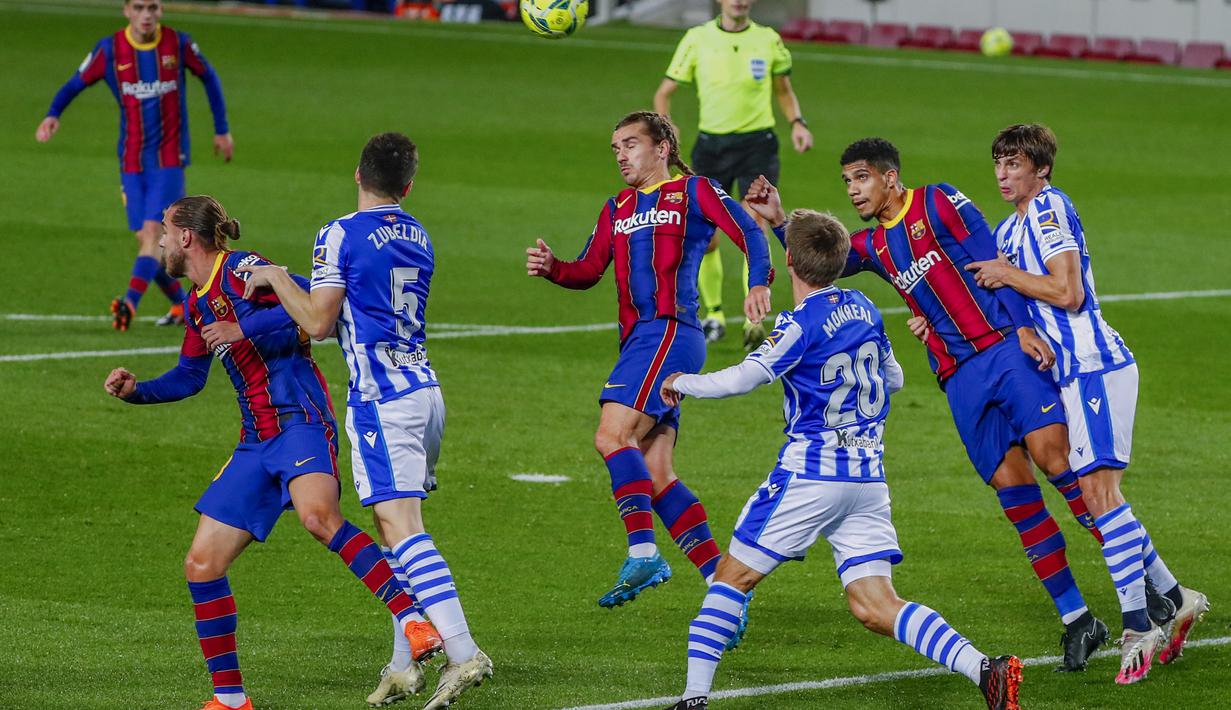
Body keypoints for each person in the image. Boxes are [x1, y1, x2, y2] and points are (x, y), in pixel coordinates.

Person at [743, 138, 1123, 672]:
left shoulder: (940, 201)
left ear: (889, 177)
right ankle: (1078, 619)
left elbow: (991, 258)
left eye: (861, 178)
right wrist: (780, 220)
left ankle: (1146, 585)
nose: (853, 190)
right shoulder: (875, 246)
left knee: (1059, 463)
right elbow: (824, 257)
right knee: (1017, 499)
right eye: (848, 182)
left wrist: (1022, 328)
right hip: (959, 378)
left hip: (1003, 351)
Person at [659, 209, 1022, 710]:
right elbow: (893, 379)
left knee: (732, 578)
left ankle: (693, 699)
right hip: (867, 480)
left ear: (789, 259)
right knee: (875, 605)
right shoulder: (865, 308)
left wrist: (682, 382)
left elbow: (743, 378)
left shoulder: (796, 325)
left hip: (811, 475)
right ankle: (985, 669)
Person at [103, 196, 427, 710]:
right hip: (255, 440)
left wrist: (243, 328)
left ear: (187, 236)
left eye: (165, 229)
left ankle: (413, 619)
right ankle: (230, 699)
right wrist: (136, 390)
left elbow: (314, 301)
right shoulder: (194, 302)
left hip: (299, 420)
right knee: (201, 563)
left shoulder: (242, 268)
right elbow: (190, 376)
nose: (159, 239)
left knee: (319, 518)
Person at [237, 133, 489, 710]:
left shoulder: (340, 232)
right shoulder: (420, 234)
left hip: (381, 401)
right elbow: (363, 303)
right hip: (425, 392)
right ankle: (404, 667)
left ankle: (463, 651)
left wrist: (276, 277)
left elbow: (322, 323)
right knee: (391, 529)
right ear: (408, 185)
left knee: (402, 528)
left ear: (357, 174)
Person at [953, 123, 1206, 684]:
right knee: (1096, 496)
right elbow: (1003, 300)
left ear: (1040, 170)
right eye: (997, 163)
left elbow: (1069, 292)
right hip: (1069, 376)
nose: (1002, 173)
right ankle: (1172, 598)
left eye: (1014, 164)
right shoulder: (1009, 229)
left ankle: (1139, 626)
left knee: (1097, 494)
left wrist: (1008, 275)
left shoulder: (1048, 209)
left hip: (1094, 364)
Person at [524, 111, 771, 631]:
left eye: (630, 144)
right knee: (656, 474)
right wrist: (554, 269)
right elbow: (589, 270)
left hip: (669, 331)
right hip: (640, 342)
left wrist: (756, 283)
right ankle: (722, 589)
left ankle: (643, 552)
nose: (620, 154)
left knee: (613, 437)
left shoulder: (695, 191)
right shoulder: (616, 207)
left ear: (662, 147)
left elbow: (750, 232)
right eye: (614, 146)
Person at [38, 0, 233, 331]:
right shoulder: (111, 50)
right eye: (140, 7)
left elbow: (210, 78)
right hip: (131, 158)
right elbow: (75, 83)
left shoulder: (178, 44)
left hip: (169, 159)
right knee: (148, 239)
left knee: (155, 235)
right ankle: (180, 305)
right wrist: (53, 114)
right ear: (127, 10)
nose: (147, 15)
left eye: (153, 7)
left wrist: (222, 129)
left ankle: (128, 302)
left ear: (161, 11)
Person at [654, 0, 812, 350]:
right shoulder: (697, 39)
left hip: (758, 145)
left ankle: (754, 318)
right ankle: (714, 315)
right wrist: (666, 126)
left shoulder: (768, 40)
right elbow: (664, 93)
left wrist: (797, 123)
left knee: (753, 222)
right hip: (711, 148)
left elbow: (784, 90)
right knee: (706, 236)